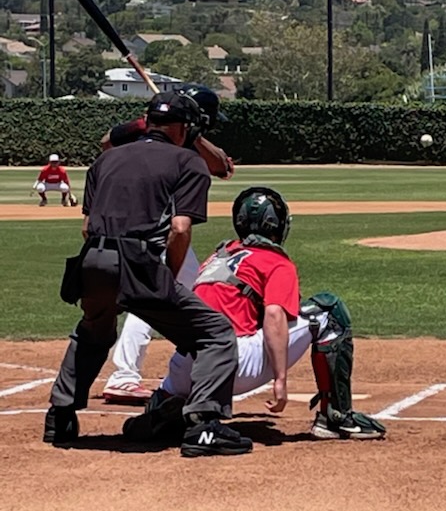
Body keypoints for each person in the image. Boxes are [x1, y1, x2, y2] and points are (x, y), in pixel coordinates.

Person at [45, 90, 252, 458]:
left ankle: (60, 416)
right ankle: (204, 425)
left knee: (94, 330)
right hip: (138, 263)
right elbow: (180, 228)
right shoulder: (188, 164)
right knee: (215, 333)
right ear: (184, 130)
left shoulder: (104, 162)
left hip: (91, 259)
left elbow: (87, 226)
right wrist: (167, 276)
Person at [122, 186, 386, 444]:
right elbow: (273, 316)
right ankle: (335, 416)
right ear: (276, 225)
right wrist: (281, 380)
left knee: (209, 337)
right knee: (329, 310)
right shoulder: (275, 261)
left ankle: (164, 405)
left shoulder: (217, 257)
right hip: (233, 365)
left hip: (185, 365)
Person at [100, 84, 234, 405]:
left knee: (186, 289)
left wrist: (190, 132)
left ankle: (189, 362)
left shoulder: (190, 143)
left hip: (170, 235)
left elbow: (223, 167)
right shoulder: (148, 135)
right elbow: (105, 143)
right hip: (158, 232)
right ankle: (125, 375)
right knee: (154, 296)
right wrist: (140, 124)